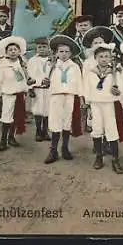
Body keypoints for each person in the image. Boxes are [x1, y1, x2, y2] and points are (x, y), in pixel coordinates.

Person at [83, 42, 123, 174]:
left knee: (111, 130)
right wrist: (88, 104)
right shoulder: (91, 73)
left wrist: (117, 91)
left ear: (110, 58)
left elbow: (121, 88)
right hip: (96, 104)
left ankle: (115, 159)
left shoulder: (114, 73)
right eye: (101, 56)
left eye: (106, 56)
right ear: (96, 58)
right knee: (97, 129)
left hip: (109, 104)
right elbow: (87, 89)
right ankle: (99, 157)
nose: (104, 59)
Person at [44, 35, 83, 164]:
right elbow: (45, 80)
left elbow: (79, 83)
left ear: (71, 53)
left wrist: (81, 98)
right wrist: (45, 81)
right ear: (56, 53)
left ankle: (65, 147)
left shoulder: (75, 67)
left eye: (67, 52)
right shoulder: (52, 66)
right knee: (55, 122)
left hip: (70, 96)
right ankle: (53, 150)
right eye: (61, 51)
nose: (64, 54)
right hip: (56, 96)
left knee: (67, 121)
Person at [0, 36, 35, 151]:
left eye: (15, 50)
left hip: (20, 94)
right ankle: (3, 140)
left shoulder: (22, 63)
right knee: (6, 118)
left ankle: (11, 137)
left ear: (19, 51)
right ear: (6, 52)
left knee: (16, 116)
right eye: (10, 50)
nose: (13, 52)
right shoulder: (3, 64)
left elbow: (27, 78)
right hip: (9, 94)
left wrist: (30, 86)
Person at [81, 26, 114, 150]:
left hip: (107, 96)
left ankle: (107, 142)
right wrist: (86, 99)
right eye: (96, 43)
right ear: (91, 45)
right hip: (94, 96)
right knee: (96, 121)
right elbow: (85, 81)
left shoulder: (110, 60)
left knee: (108, 120)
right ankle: (97, 144)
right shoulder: (88, 62)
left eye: (101, 42)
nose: (99, 45)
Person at [27, 37, 53, 142]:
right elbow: (30, 75)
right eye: (39, 47)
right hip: (37, 88)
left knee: (47, 110)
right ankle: (38, 131)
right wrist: (31, 88)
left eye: (44, 47)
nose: (42, 49)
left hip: (48, 89)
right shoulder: (33, 60)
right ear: (36, 49)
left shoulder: (52, 60)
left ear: (49, 48)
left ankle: (45, 130)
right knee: (38, 110)